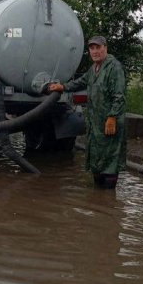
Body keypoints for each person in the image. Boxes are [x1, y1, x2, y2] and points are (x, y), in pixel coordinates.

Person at [46, 35, 126, 189]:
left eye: (98, 47)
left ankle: (108, 198)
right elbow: (81, 82)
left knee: (109, 158)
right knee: (96, 157)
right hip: (95, 122)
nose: (95, 51)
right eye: (92, 48)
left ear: (105, 48)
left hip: (108, 121)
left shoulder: (114, 67)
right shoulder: (94, 68)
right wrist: (62, 87)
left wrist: (112, 117)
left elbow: (119, 96)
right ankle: (98, 198)